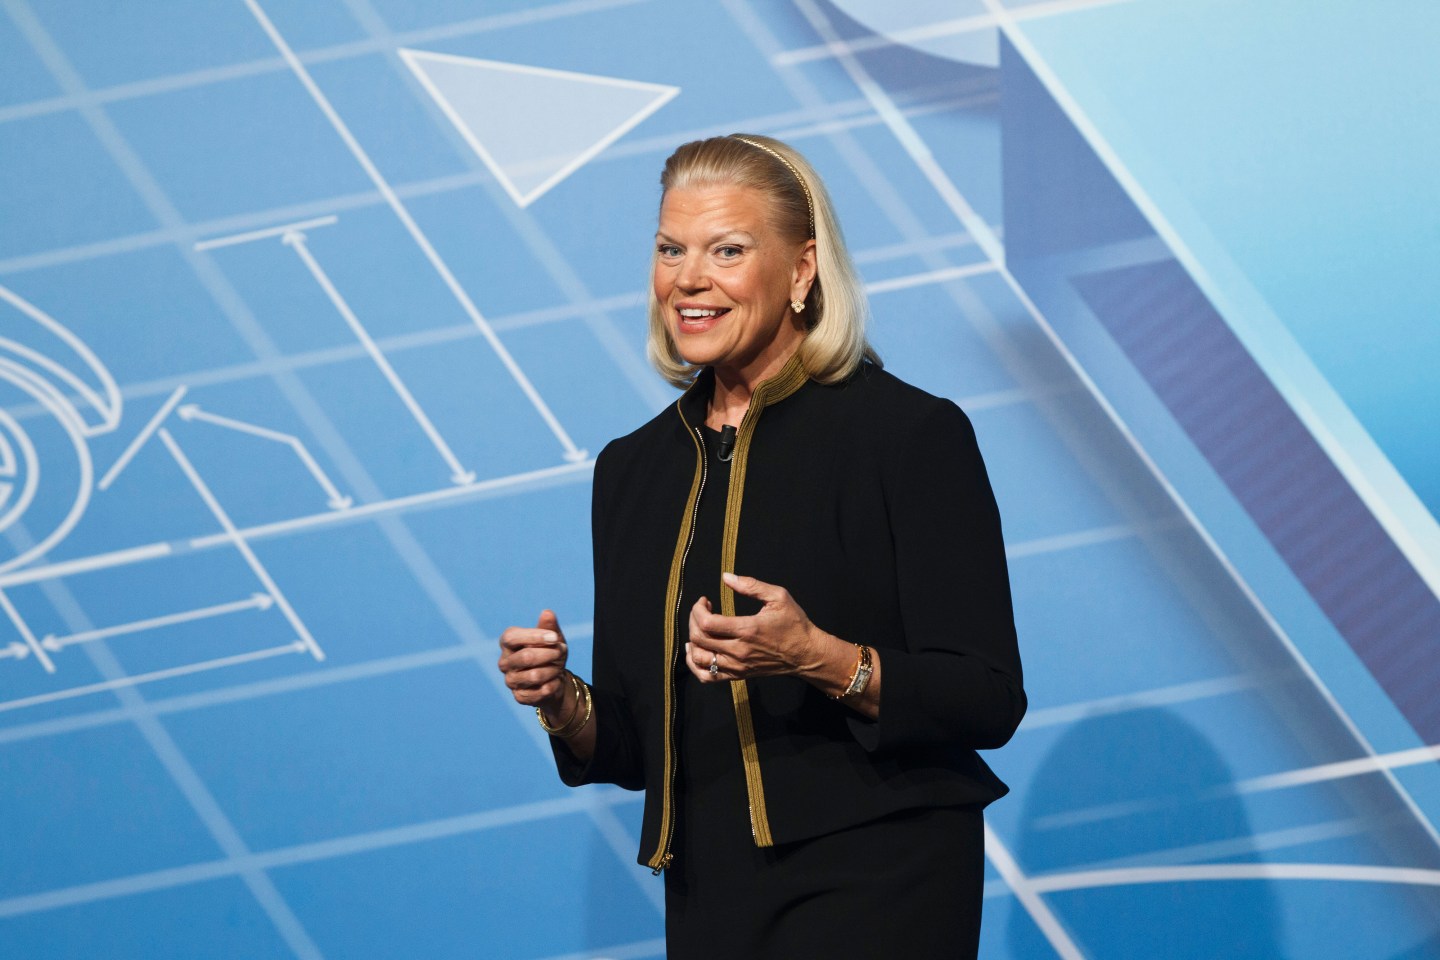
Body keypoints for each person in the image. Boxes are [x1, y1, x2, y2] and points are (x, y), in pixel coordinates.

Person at [498, 134, 1025, 958]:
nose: (688, 279)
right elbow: (637, 747)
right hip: (709, 892)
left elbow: (986, 697)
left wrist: (819, 657)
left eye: (728, 251)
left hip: (881, 875)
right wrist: (564, 703)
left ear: (803, 269)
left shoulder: (910, 435)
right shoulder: (633, 469)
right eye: (671, 250)